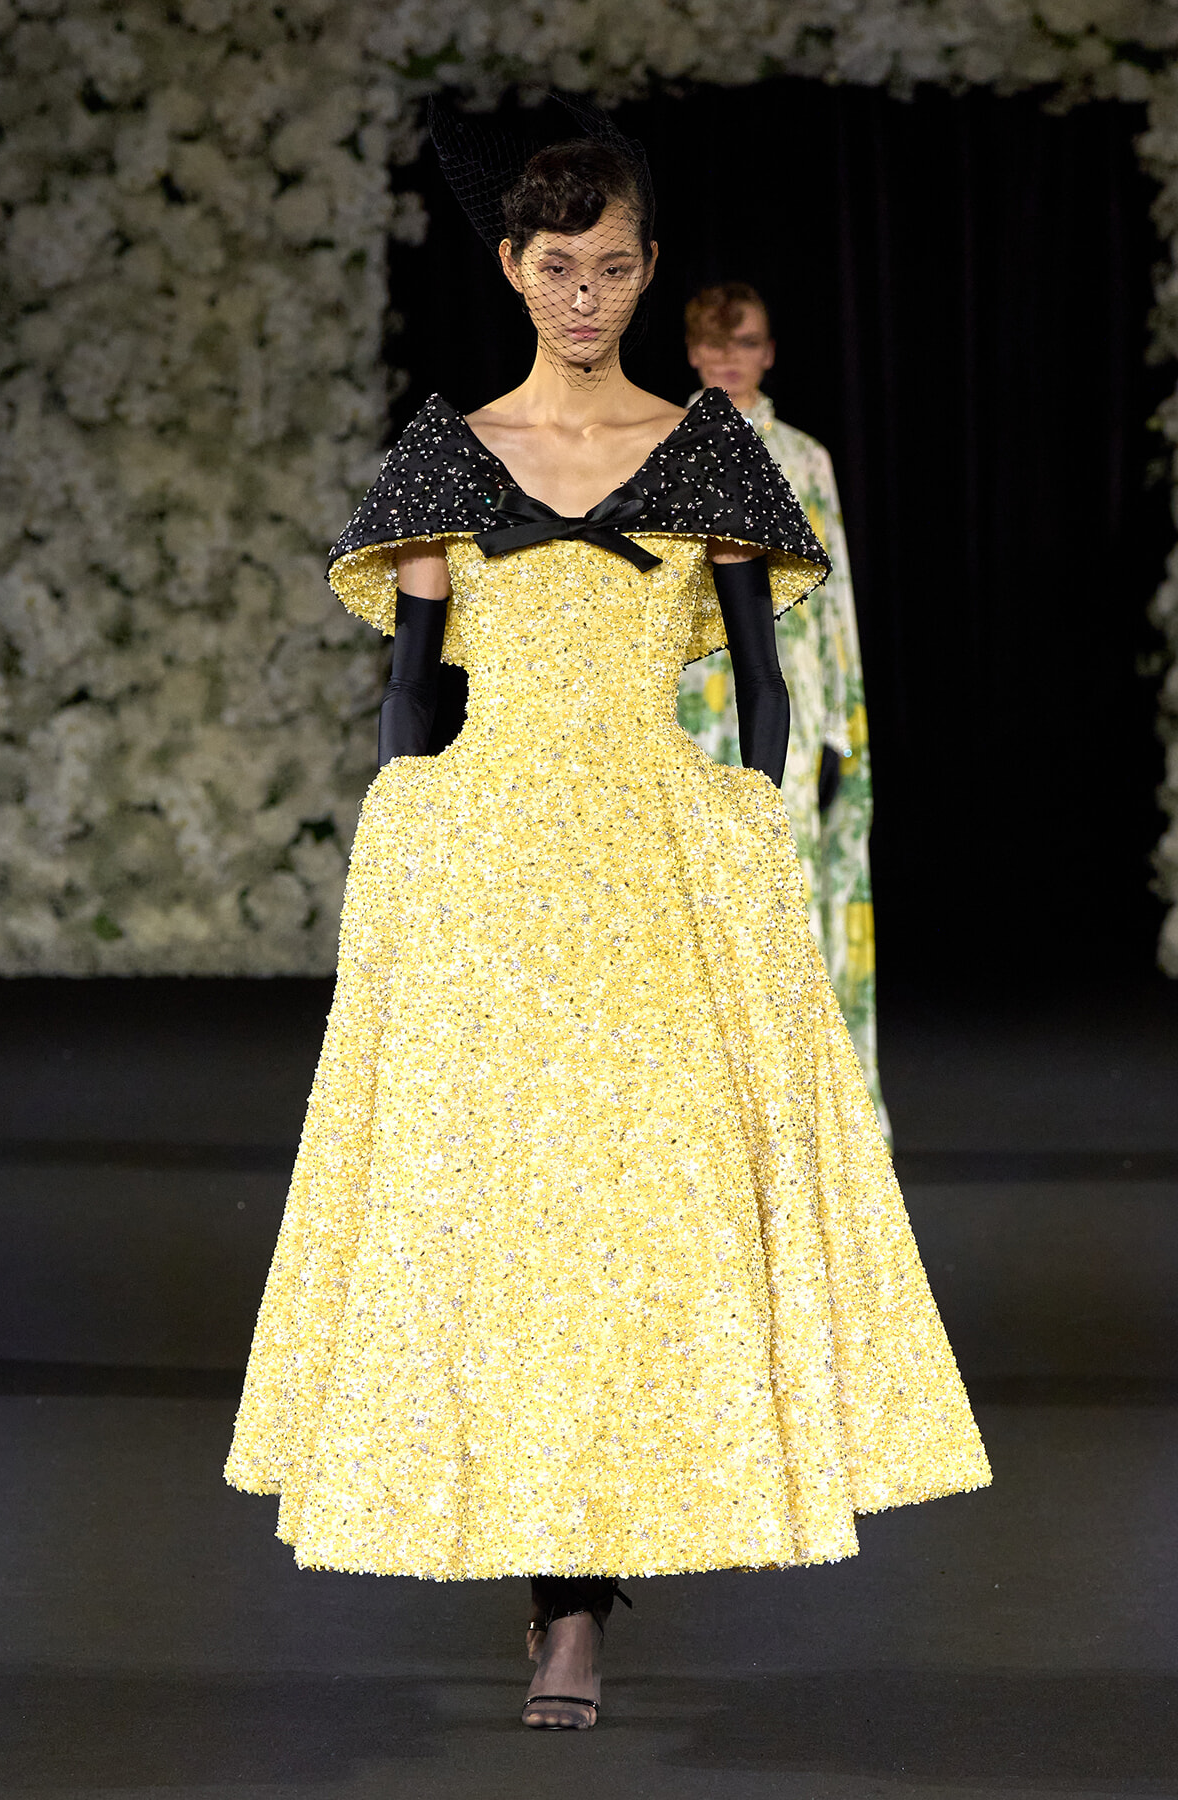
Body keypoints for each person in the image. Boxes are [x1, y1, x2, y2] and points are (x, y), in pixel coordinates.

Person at [225, 118, 989, 1735]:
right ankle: (551, 1593)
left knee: (633, 1217)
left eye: (616, 266)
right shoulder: (447, 450)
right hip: (489, 863)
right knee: (505, 1211)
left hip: (655, 857)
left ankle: (587, 1578)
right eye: (555, 267)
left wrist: (752, 845)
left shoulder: (710, 453)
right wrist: (407, 853)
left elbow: (763, 688)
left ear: (648, 270)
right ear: (511, 269)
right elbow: (410, 699)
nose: (585, 295)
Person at [682, 283, 886, 1129]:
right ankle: (706, 1109)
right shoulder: (656, 448)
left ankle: (798, 1109)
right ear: (693, 350)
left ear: (769, 352)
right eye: (714, 342)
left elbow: (830, 593)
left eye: (747, 343)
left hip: (788, 689)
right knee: (693, 895)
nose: (729, 358)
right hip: (688, 694)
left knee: (785, 881)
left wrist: (843, 720)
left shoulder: (804, 459)